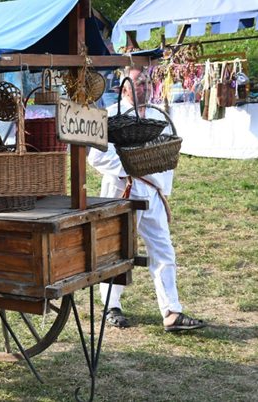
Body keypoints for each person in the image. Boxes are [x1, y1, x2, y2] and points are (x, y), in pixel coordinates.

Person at [87, 67, 207, 332]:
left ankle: (171, 311)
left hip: (151, 192)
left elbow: (166, 156)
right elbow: (96, 156)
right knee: (116, 251)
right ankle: (111, 306)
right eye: (139, 82)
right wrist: (131, 167)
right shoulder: (111, 116)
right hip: (123, 192)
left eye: (147, 81)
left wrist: (162, 190)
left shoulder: (156, 115)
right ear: (125, 88)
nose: (145, 85)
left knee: (163, 249)